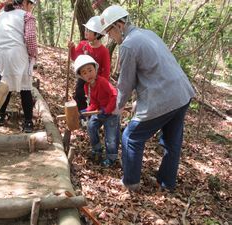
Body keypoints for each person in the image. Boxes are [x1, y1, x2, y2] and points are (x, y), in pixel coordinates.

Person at [100, 5, 195, 191]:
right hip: (182, 94)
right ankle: (166, 183)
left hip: (164, 97)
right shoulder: (146, 34)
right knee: (172, 142)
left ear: (120, 24)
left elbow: (125, 84)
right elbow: (150, 71)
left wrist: (117, 107)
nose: (109, 36)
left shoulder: (128, 44)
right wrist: (138, 101)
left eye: (109, 30)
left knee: (131, 137)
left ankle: (131, 182)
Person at [0, 0, 38, 133]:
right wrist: (32, 55)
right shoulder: (27, 16)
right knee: (25, 88)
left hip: (0, 55)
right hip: (18, 53)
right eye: (32, 4)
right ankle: (28, 123)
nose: (31, 8)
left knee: (5, 86)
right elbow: (30, 37)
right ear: (26, 2)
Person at [74, 55, 120, 168]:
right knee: (91, 126)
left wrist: (107, 109)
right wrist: (85, 111)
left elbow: (114, 95)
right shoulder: (87, 87)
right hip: (100, 112)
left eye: (90, 70)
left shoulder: (103, 82)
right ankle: (97, 149)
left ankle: (111, 158)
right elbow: (94, 103)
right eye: (84, 73)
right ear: (81, 76)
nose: (88, 74)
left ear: (95, 69)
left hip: (112, 113)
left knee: (111, 138)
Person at [68, 16, 110, 110]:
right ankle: (81, 116)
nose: (85, 32)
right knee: (79, 94)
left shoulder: (104, 51)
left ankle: (92, 118)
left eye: (89, 30)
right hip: (83, 78)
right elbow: (75, 57)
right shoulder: (83, 44)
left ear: (97, 34)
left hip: (97, 81)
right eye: (86, 29)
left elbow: (106, 71)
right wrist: (72, 48)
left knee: (94, 100)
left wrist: (101, 84)